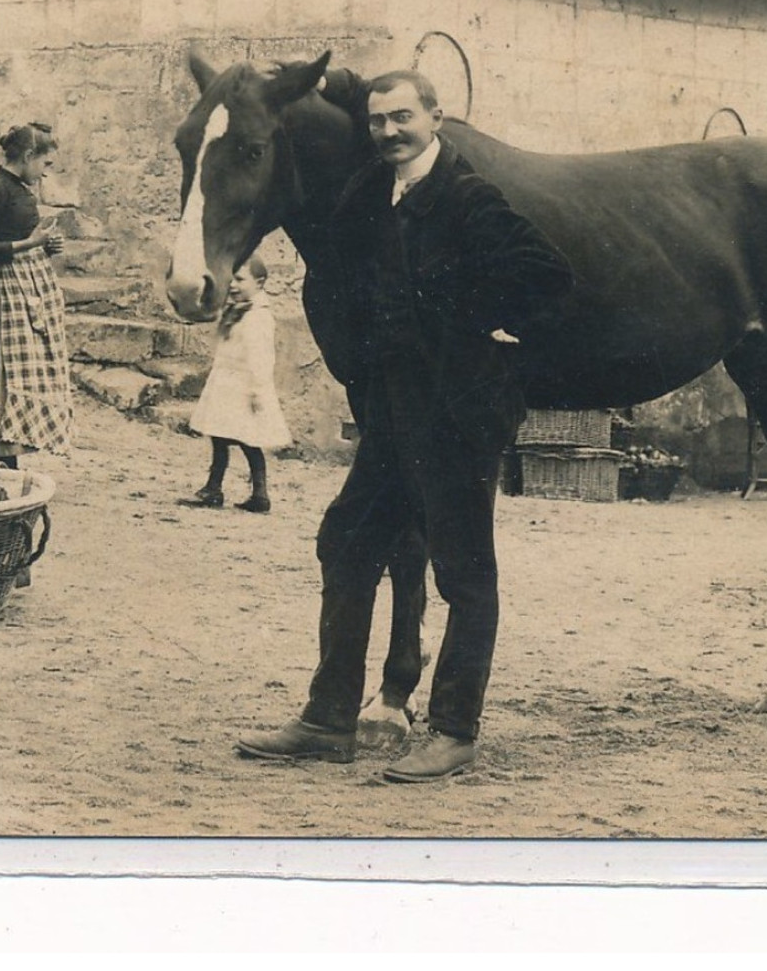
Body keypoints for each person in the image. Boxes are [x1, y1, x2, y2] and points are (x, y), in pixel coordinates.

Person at [236, 69, 573, 782]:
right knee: (347, 541)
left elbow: (543, 275)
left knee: (462, 569)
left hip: (455, 412)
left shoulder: (466, 193)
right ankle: (330, 718)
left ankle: (454, 729)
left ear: (436, 117)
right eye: (378, 120)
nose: (388, 131)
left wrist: (475, 330)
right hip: (392, 412)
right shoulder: (371, 192)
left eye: (402, 118)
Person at [0, 122, 74, 469]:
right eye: (45, 164)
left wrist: (47, 246)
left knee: (28, 371)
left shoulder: (21, 188)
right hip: (6, 289)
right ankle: (3, 456)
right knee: (3, 373)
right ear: (27, 156)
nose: (45, 172)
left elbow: (25, 237)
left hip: (30, 286)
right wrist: (30, 243)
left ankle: (15, 450)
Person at [178, 255, 292, 514]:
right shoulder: (239, 310)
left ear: (260, 282)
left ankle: (256, 494)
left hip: (243, 385)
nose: (233, 285)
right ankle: (216, 488)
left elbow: (261, 357)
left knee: (248, 440)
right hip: (227, 382)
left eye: (240, 279)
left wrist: (256, 389)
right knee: (219, 437)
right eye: (231, 279)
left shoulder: (259, 317)